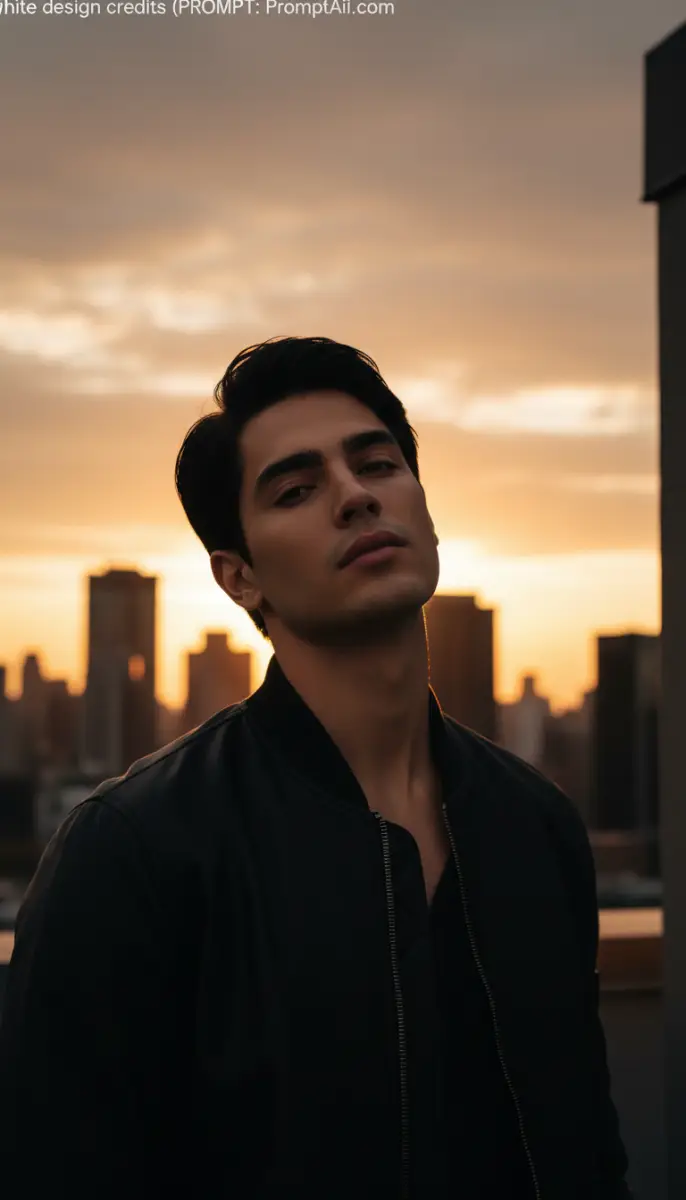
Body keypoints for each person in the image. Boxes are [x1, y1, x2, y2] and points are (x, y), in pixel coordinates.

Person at [0, 336, 632, 1199]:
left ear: (428, 512)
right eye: (296, 489)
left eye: (377, 464)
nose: (354, 496)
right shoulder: (136, 852)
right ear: (239, 578)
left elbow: (588, 1152)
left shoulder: (536, 825)